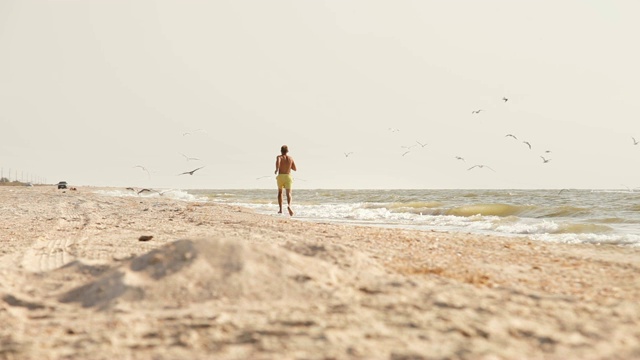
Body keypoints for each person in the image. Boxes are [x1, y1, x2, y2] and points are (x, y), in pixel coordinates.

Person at [275, 145, 297, 216]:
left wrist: (277, 169)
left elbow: (278, 162)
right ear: (287, 151)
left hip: (281, 176)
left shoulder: (279, 157)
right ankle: (289, 206)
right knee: (289, 193)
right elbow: (295, 168)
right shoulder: (290, 158)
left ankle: (281, 210)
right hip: (288, 176)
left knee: (280, 193)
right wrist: (288, 165)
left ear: (281, 151)